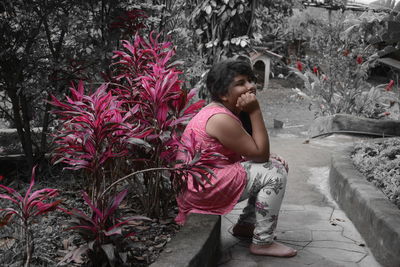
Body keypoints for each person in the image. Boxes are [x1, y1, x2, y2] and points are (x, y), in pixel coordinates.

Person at [175, 59, 297, 257]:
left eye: (250, 80)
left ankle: (246, 225)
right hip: (200, 188)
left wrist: (265, 156)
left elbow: (254, 152)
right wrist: (255, 110)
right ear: (223, 94)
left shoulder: (224, 111)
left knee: (273, 165)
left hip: (202, 182)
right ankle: (262, 242)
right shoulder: (220, 118)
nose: (250, 86)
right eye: (241, 83)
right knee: (275, 172)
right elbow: (260, 155)